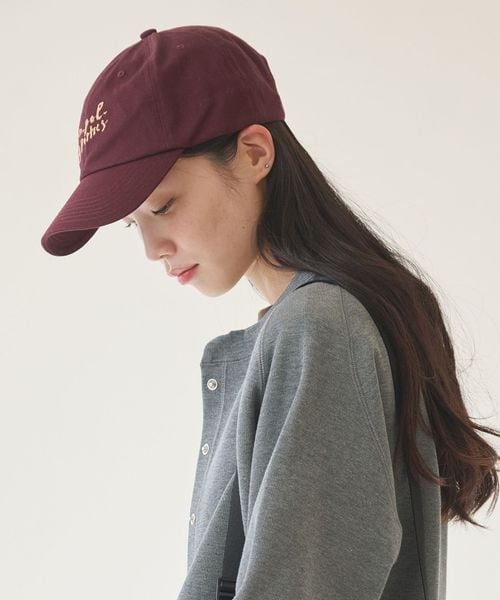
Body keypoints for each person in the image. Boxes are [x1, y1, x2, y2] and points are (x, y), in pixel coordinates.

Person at [40, 25, 500, 600]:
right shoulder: (315, 325)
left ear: (255, 153)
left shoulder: (320, 328)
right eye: (133, 224)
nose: (152, 249)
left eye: (163, 205)